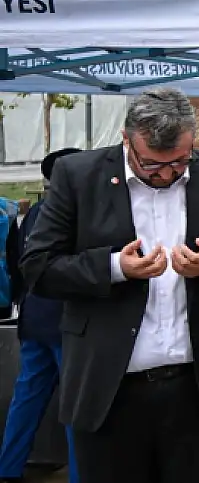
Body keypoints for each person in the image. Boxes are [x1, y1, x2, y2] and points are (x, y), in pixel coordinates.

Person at [19, 88, 199, 483]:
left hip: (196, 390)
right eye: (153, 165)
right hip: (109, 390)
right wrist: (114, 267)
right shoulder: (79, 176)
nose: (169, 174)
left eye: (180, 162)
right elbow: (36, 267)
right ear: (127, 140)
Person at [0, 148, 82, 483]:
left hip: (34, 317)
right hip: (69, 321)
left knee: (28, 397)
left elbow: (19, 261)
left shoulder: (35, 212)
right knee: (79, 404)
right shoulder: (77, 212)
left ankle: (8, 468)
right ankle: (81, 475)